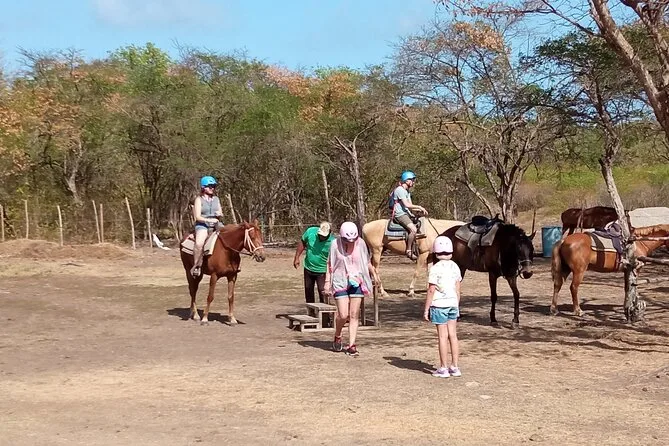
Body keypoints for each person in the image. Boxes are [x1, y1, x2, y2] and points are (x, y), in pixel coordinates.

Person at [324, 221, 374, 357]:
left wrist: (374, 274)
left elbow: (366, 261)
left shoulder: (361, 243)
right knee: (343, 314)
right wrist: (327, 282)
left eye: (353, 240)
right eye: (347, 240)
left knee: (354, 314)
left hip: (357, 281)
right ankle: (337, 335)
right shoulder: (334, 244)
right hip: (340, 280)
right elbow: (330, 264)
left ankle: (352, 345)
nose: (351, 242)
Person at [423, 235, 462, 378]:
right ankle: (455, 366)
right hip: (453, 304)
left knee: (442, 337)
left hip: (439, 305)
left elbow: (431, 290)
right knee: (453, 335)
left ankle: (443, 368)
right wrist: (456, 304)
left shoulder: (435, 268)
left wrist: (426, 309)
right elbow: (458, 288)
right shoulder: (455, 266)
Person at [293, 222, 335, 305]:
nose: (321, 237)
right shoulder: (310, 232)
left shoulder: (333, 242)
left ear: (329, 233)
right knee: (308, 290)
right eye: (320, 235)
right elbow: (302, 242)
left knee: (322, 291)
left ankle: (324, 312)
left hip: (322, 271)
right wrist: (297, 257)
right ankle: (310, 310)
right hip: (308, 267)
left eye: (324, 236)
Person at [191, 175, 224, 278]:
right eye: (210, 186)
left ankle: (233, 262)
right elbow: (197, 217)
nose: (212, 188)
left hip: (216, 224)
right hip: (202, 225)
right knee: (199, 243)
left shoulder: (216, 199)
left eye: (213, 186)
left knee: (230, 236)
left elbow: (220, 213)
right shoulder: (198, 200)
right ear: (203, 187)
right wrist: (209, 220)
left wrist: (219, 214)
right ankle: (197, 265)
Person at [390, 170, 428, 260]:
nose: (413, 182)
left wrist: (419, 211)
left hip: (406, 213)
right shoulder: (400, 190)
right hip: (399, 214)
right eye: (412, 180)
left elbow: (410, 206)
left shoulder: (407, 191)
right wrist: (419, 207)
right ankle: (409, 250)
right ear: (406, 180)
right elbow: (406, 205)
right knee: (413, 229)